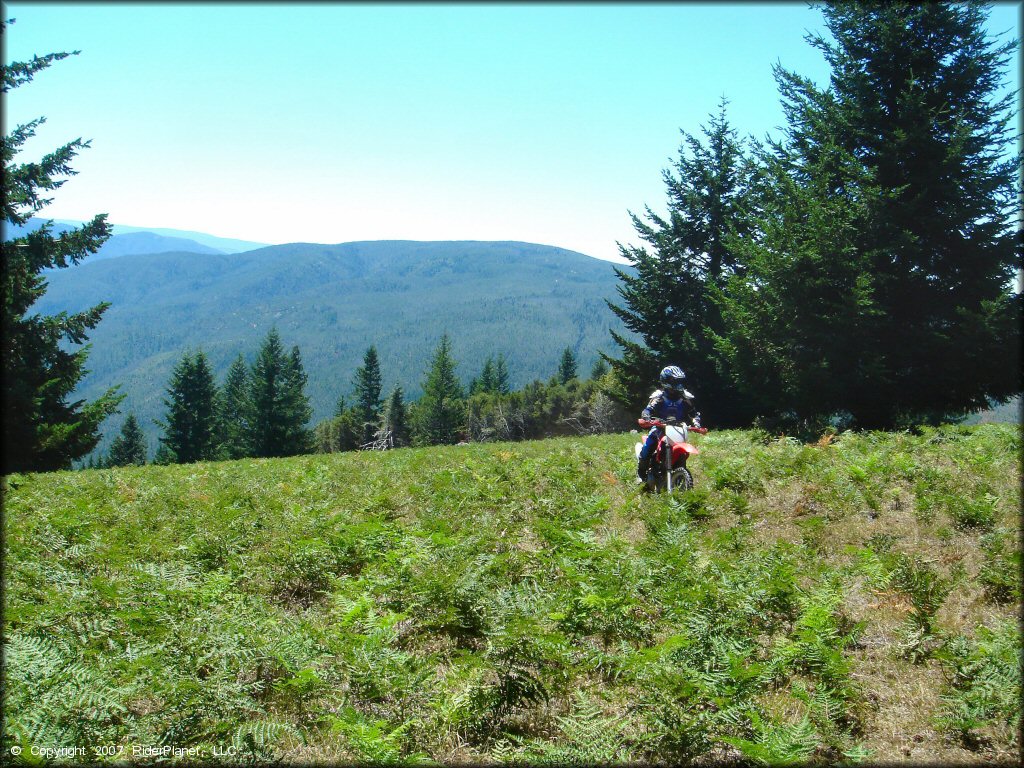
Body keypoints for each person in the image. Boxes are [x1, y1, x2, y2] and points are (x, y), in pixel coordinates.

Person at [637, 365, 701, 481]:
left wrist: (696, 423)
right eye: (676, 382)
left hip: (678, 429)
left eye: (680, 382)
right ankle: (641, 474)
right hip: (659, 427)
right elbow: (648, 410)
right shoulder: (660, 397)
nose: (679, 385)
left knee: (680, 446)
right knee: (649, 446)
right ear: (666, 381)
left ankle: (678, 474)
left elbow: (694, 413)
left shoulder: (684, 398)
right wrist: (647, 417)